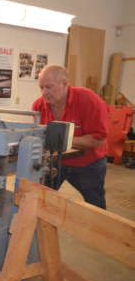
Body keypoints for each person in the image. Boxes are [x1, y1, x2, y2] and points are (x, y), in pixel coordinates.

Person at [32, 64, 109, 209]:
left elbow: (99, 138)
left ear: (64, 84)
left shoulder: (89, 101)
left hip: (89, 163)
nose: (44, 93)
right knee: (42, 200)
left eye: (49, 87)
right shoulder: (38, 106)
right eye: (41, 88)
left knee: (96, 205)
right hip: (55, 160)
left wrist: (60, 140)